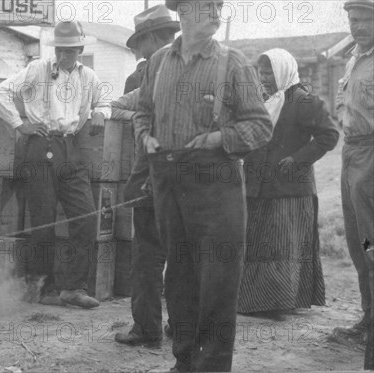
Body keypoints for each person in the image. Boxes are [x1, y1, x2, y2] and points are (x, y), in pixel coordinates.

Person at [134, 0, 272, 370]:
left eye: (218, 5)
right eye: (206, 5)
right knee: (178, 278)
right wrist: (145, 136)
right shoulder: (159, 62)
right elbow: (142, 111)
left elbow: (260, 126)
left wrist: (218, 139)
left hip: (216, 182)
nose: (215, 12)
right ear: (183, 12)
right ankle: (184, 361)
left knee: (217, 282)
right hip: (167, 180)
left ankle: (211, 366)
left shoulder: (234, 63)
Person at [0, 21, 110, 309]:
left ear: (80, 49)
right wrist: (21, 125)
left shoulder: (89, 76)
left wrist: (100, 112)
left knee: (85, 217)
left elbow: (105, 100)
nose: (65, 54)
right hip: (40, 146)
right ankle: (42, 288)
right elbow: (0, 93)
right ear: (55, 48)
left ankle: (73, 288)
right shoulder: (37, 69)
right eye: (61, 49)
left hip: (70, 148)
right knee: (43, 221)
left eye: (71, 49)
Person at [238, 49, 339, 315]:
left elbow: (329, 136)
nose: (264, 76)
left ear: (283, 70)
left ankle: (280, 302)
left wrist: (298, 159)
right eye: (261, 71)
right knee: (259, 242)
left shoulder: (304, 101)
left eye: (269, 71)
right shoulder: (262, 100)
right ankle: (256, 301)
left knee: (283, 245)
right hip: (258, 185)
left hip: (289, 188)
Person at [111, 5, 179, 348]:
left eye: (140, 43)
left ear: (152, 38)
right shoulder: (192, 63)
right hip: (189, 178)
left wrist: (152, 176)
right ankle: (181, 324)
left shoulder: (158, 68)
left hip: (157, 174)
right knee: (183, 255)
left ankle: (147, 329)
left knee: (148, 257)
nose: (139, 51)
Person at [332, 0, 374, 351]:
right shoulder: (354, 58)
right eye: (353, 19)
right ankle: (368, 320)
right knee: (359, 245)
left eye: (365, 20)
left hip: (373, 154)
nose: (358, 26)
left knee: (373, 244)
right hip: (351, 151)